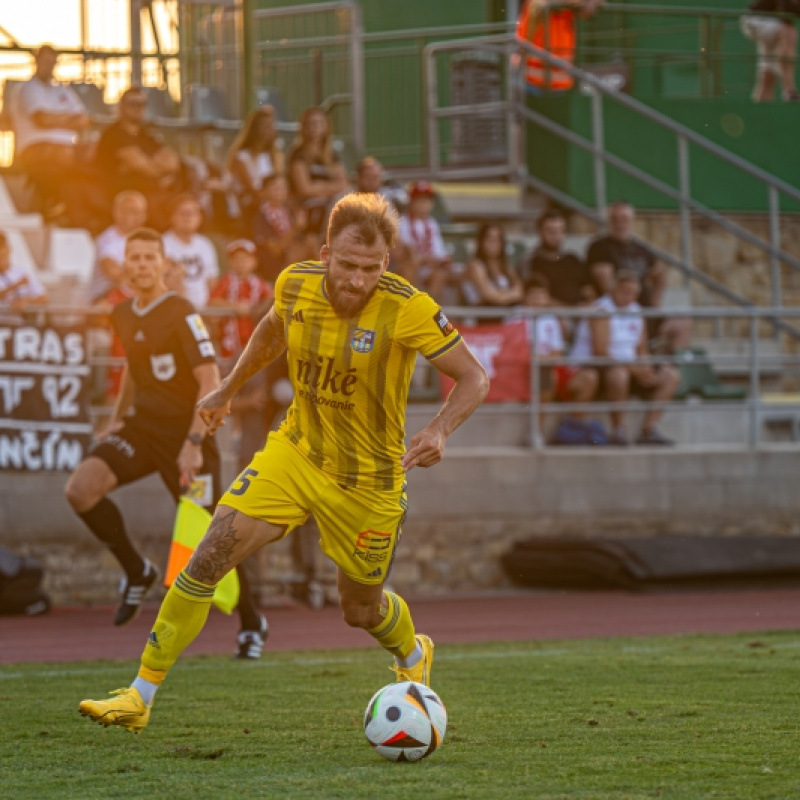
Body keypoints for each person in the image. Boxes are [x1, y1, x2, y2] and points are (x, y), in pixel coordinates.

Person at [78, 192, 489, 734]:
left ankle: (413, 652)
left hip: (369, 480)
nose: (356, 280)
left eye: (370, 269)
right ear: (325, 254)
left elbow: (476, 377)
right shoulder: (295, 283)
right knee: (208, 554)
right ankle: (140, 695)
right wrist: (227, 388)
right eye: (345, 265)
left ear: (385, 263)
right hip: (295, 453)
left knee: (360, 610)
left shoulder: (407, 306)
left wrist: (438, 428)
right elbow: (272, 330)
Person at [64, 227, 269, 658]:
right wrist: (116, 420)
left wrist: (194, 441)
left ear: (163, 264)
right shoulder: (122, 312)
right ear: (124, 265)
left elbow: (210, 380)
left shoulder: (182, 312)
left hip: (187, 437)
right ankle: (137, 571)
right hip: (142, 432)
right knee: (80, 490)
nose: (140, 265)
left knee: (216, 539)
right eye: (133, 258)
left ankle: (252, 621)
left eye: (148, 257)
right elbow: (137, 372)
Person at [569, 270, 679, 446]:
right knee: (619, 375)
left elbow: (641, 348)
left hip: (629, 365)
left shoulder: (636, 310)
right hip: (597, 366)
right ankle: (619, 429)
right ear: (614, 289)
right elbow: (600, 352)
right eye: (625, 291)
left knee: (670, 375)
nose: (629, 296)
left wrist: (646, 367)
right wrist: (634, 369)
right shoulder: (601, 310)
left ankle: (648, 429)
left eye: (634, 292)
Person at [586, 201, 691, 353]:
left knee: (683, 323)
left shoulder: (641, 249)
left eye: (624, 219)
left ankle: (671, 370)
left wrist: (655, 303)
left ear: (632, 222)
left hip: (644, 310)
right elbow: (604, 279)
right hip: (618, 314)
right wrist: (626, 304)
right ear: (608, 221)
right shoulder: (599, 247)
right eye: (615, 219)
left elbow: (659, 274)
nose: (620, 223)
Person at [13, 45, 91, 218]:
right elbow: (42, 120)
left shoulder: (63, 90)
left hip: (67, 149)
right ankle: (55, 202)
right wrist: (68, 119)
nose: (49, 66)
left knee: (94, 152)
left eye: (52, 62)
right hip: (34, 149)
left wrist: (55, 119)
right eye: (46, 61)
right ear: (36, 61)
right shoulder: (27, 88)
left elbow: (84, 120)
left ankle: (74, 208)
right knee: (63, 154)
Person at [94, 86, 184, 228]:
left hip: (150, 188)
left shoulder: (146, 135)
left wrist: (149, 164)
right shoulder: (113, 134)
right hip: (120, 190)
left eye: (142, 104)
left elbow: (172, 163)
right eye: (132, 104)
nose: (138, 108)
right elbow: (144, 168)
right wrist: (159, 171)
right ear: (121, 107)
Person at [287, 107, 349, 249]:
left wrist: (319, 186)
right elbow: (304, 188)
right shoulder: (298, 155)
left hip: (329, 202)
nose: (314, 128)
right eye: (310, 124)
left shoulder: (331, 155)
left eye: (318, 123)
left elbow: (344, 183)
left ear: (326, 127)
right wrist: (331, 187)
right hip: (308, 205)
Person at [516, 0, 604, 93]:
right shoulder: (535, 6)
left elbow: (587, 9)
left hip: (560, 83)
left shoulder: (568, 9)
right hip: (533, 83)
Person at [393, 180, 453, 301]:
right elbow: (406, 252)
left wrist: (439, 260)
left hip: (428, 268)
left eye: (426, 200)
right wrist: (424, 259)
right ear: (411, 202)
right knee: (411, 264)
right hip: (408, 266)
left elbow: (439, 254)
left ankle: (429, 310)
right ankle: (410, 304)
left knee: (441, 274)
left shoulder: (432, 224)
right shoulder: (402, 222)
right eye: (419, 200)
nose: (423, 204)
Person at [224, 106, 284, 226]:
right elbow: (252, 190)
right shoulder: (241, 157)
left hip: (270, 199)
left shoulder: (271, 156)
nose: (268, 130)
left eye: (271, 126)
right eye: (264, 126)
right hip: (248, 202)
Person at [522, 209, 592, 307]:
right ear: (540, 232)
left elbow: (588, 289)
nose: (556, 235)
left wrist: (588, 303)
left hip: (581, 315)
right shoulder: (531, 262)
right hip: (549, 316)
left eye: (560, 230)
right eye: (551, 231)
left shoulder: (572, 259)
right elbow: (534, 297)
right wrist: (568, 311)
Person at [88, 191, 148, 304]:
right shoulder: (107, 240)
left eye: (142, 212)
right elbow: (112, 271)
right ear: (118, 213)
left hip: (134, 297)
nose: (139, 217)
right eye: (133, 212)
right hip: (104, 298)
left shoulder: (144, 240)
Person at [162, 194, 220, 310]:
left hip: (202, 312)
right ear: (172, 217)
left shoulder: (205, 244)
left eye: (193, 213)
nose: (188, 217)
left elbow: (212, 282)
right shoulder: (162, 243)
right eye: (183, 213)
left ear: (200, 218)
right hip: (170, 310)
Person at [252, 173, 309, 282]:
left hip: (295, 255)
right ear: (264, 191)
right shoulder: (261, 215)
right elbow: (275, 250)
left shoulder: (290, 210)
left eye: (283, 187)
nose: (280, 191)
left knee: (313, 240)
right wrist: (296, 228)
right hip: (276, 263)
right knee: (309, 244)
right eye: (275, 187)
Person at [741, 0, 800, 101]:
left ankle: (759, 112)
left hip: (771, 23)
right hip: (756, 19)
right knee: (789, 33)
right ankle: (789, 90)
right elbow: (786, 12)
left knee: (768, 75)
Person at [463, 223, 524, 312]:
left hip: (504, 314)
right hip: (481, 315)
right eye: (489, 239)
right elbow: (488, 295)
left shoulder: (505, 267)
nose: (493, 244)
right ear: (481, 242)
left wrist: (501, 296)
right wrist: (509, 295)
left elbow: (520, 291)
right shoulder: (475, 265)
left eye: (497, 240)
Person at [0, 230, 48, 314]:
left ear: (9, 249)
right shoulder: (21, 279)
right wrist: (16, 285)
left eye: (3, 256)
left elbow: (44, 298)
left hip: (20, 324)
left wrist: (26, 301)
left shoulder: (23, 272)